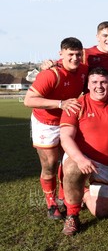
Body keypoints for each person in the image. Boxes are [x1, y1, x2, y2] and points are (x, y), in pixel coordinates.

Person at [59, 67, 108, 235]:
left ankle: (83, 191)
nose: (99, 86)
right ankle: (72, 215)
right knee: (74, 168)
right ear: (88, 85)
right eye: (95, 82)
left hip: (106, 165)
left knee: (102, 212)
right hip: (83, 157)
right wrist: (80, 159)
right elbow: (65, 137)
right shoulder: (76, 105)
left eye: (104, 82)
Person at [24, 37, 88, 220]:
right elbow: (29, 100)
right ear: (61, 54)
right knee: (50, 164)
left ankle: (63, 196)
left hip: (67, 122)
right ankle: (51, 204)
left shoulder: (83, 70)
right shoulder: (51, 73)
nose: (75, 58)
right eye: (70, 54)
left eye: (78, 54)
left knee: (66, 160)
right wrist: (60, 103)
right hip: (46, 123)